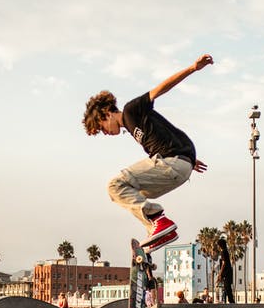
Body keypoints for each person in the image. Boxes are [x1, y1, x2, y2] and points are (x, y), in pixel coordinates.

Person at [82, 54, 213, 251]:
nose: (106, 133)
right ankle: (157, 231)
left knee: (114, 185)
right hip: (180, 166)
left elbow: (162, 88)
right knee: (132, 194)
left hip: (173, 163)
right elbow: (167, 134)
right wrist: (190, 160)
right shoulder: (136, 128)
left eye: (101, 127)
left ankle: (159, 222)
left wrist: (192, 68)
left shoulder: (131, 111)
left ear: (106, 113)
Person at [215, 238, 235, 304]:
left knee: (227, 287)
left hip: (226, 272)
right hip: (228, 272)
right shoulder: (225, 251)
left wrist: (220, 273)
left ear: (220, 245)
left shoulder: (223, 252)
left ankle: (231, 301)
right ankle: (230, 300)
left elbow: (224, 263)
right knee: (227, 287)